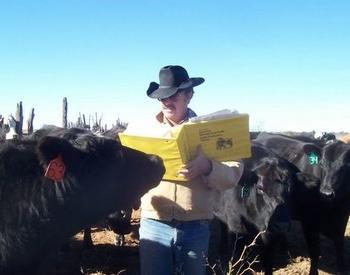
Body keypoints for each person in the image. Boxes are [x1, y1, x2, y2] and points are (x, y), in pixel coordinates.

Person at [139, 65, 244, 275]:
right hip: (153, 223)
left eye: (173, 95)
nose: (166, 102)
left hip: (196, 225)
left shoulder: (213, 130)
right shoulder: (144, 131)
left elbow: (234, 173)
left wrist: (208, 167)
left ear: (189, 95)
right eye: (162, 97)